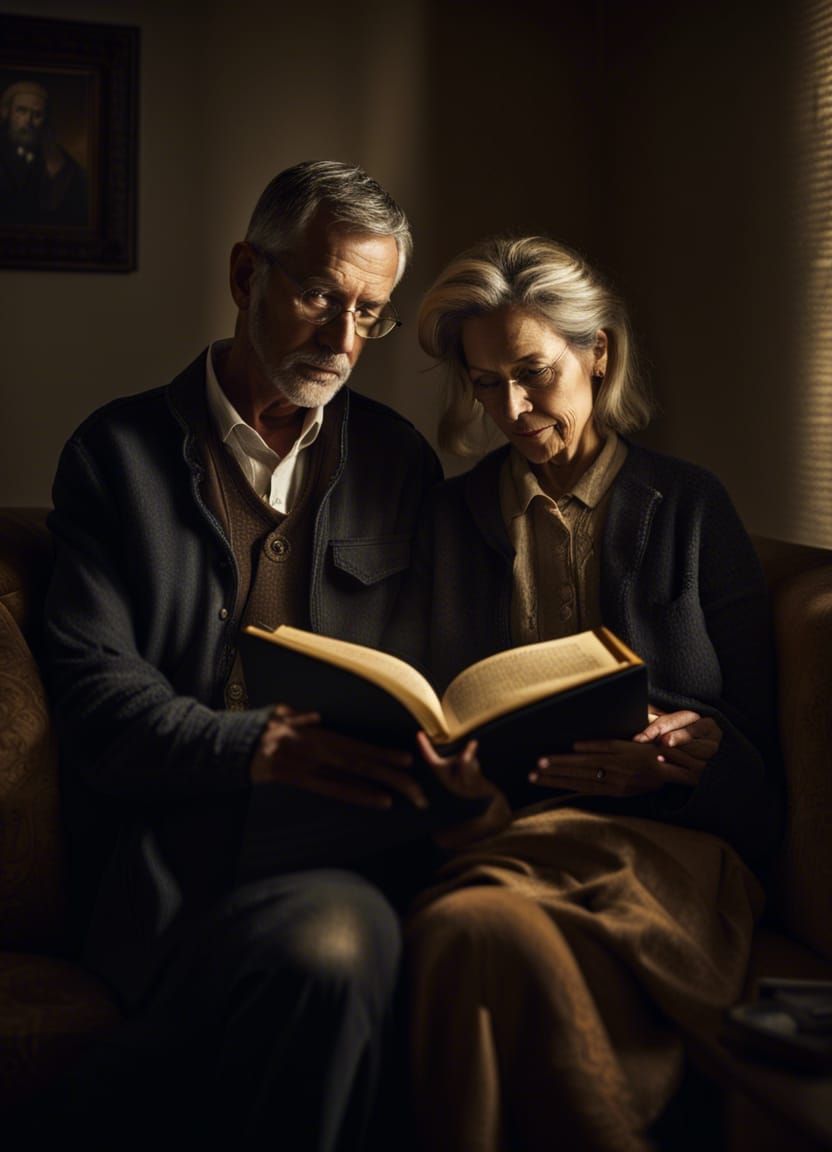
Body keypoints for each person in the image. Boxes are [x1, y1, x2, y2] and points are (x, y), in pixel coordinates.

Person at [37, 161, 453, 1151]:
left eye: (370, 313)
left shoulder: (398, 461)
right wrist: (251, 748)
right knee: (337, 946)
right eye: (319, 295)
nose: (343, 340)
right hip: (185, 858)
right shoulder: (117, 453)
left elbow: (443, 666)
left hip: (366, 838)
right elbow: (97, 694)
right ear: (243, 274)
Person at [389, 235, 782, 1152]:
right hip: (506, 838)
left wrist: (696, 759)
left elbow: (761, 755)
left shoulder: (690, 506)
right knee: (476, 928)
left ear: (596, 351)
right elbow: (435, 712)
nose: (513, 410)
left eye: (533, 371)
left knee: (474, 935)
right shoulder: (450, 519)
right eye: (487, 384)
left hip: (665, 854)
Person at [0, 79, 88, 227]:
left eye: (37, 115)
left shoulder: (55, 157)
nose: (28, 121)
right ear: (6, 112)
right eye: (21, 111)